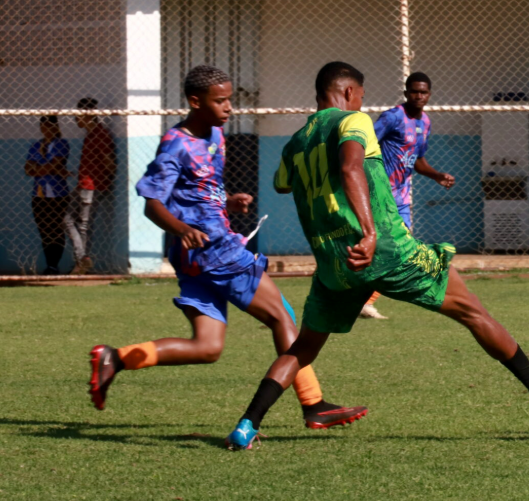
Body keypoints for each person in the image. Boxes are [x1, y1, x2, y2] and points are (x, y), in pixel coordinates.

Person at [225, 62, 529, 450]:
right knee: (472, 310)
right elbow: (351, 165)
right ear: (347, 94)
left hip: (335, 263)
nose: (361, 103)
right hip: (384, 249)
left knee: (303, 349)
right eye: (360, 95)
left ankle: (246, 425)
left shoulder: (295, 142)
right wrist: (370, 233)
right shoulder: (352, 121)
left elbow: (282, 183)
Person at [88, 65, 366, 430]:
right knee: (281, 315)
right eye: (220, 100)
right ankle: (313, 403)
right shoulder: (177, 143)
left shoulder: (216, 135)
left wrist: (227, 202)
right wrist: (181, 228)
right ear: (194, 101)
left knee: (207, 347)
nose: (229, 107)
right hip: (213, 251)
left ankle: (115, 357)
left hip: (198, 256)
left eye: (230, 99)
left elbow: (200, 192)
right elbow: (152, 202)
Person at [362, 71, 456, 320]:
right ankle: (359, 298)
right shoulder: (392, 117)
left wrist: (437, 175)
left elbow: (418, 160)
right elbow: (364, 146)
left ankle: (365, 300)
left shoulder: (425, 122)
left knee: (398, 248)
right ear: (406, 93)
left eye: (423, 92)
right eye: (414, 91)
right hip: (380, 194)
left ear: (429, 95)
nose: (419, 95)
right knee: (385, 246)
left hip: (402, 198)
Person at [65, 98, 116, 275]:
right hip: (84, 184)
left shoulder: (100, 134)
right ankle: (82, 258)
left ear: (87, 115)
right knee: (68, 219)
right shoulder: (91, 134)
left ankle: (81, 262)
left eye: (78, 115)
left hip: (92, 187)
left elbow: (109, 162)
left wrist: (102, 182)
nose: (75, 119)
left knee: (84, 224)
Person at [25, 115, 70, 274]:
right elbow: (28, 169)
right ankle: (49, 264)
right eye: (43, 127)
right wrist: (49, 168)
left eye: (49, 126)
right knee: (44, 230)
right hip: (39, 195)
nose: (46, 130)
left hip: (58, 194)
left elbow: (54, 164)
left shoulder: (61, 144)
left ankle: (53, 264)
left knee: (56, 229)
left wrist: (41, 167)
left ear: (56, 127)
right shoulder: (36, 145)